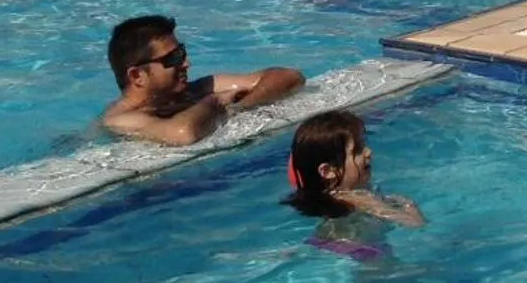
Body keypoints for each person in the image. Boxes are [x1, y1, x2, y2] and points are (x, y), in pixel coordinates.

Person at [102, 14, 305, 147]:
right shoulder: (121, 120)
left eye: (182, 53)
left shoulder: (193, 90)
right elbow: (183, 133)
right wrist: (215, 102)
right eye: (173, 58)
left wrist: (240, 106)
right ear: (137, 76)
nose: (186, 63)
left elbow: (289, 77)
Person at [286, 110, 424, 237]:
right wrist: (409, 205)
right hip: (354, 247)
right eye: (357, 151)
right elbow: (413, 223)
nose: (368, 152)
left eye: (363, 145)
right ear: (328, 171)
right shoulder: (354, 198)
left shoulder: (327, 195)